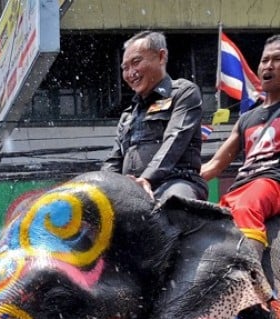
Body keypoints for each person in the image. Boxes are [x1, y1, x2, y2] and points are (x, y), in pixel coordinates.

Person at [201, 35, 280, 270]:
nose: (268, 65)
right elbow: (215, 164)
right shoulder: (246, 118)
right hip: (242, 186)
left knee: (247, 206)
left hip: (272, 182)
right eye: (265, 60)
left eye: (277, 59)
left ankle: (251, 279)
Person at [102, 30, 207, 201]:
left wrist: (148, 178)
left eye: (136, 62)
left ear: (161, 57)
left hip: (177, 182)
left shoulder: (184, 93)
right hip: (132, 191)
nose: (130, 73)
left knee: (173, 206)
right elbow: (114, 161)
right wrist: (102, 187)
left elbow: (175, 139)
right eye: (125, 68)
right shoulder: (128, 115)